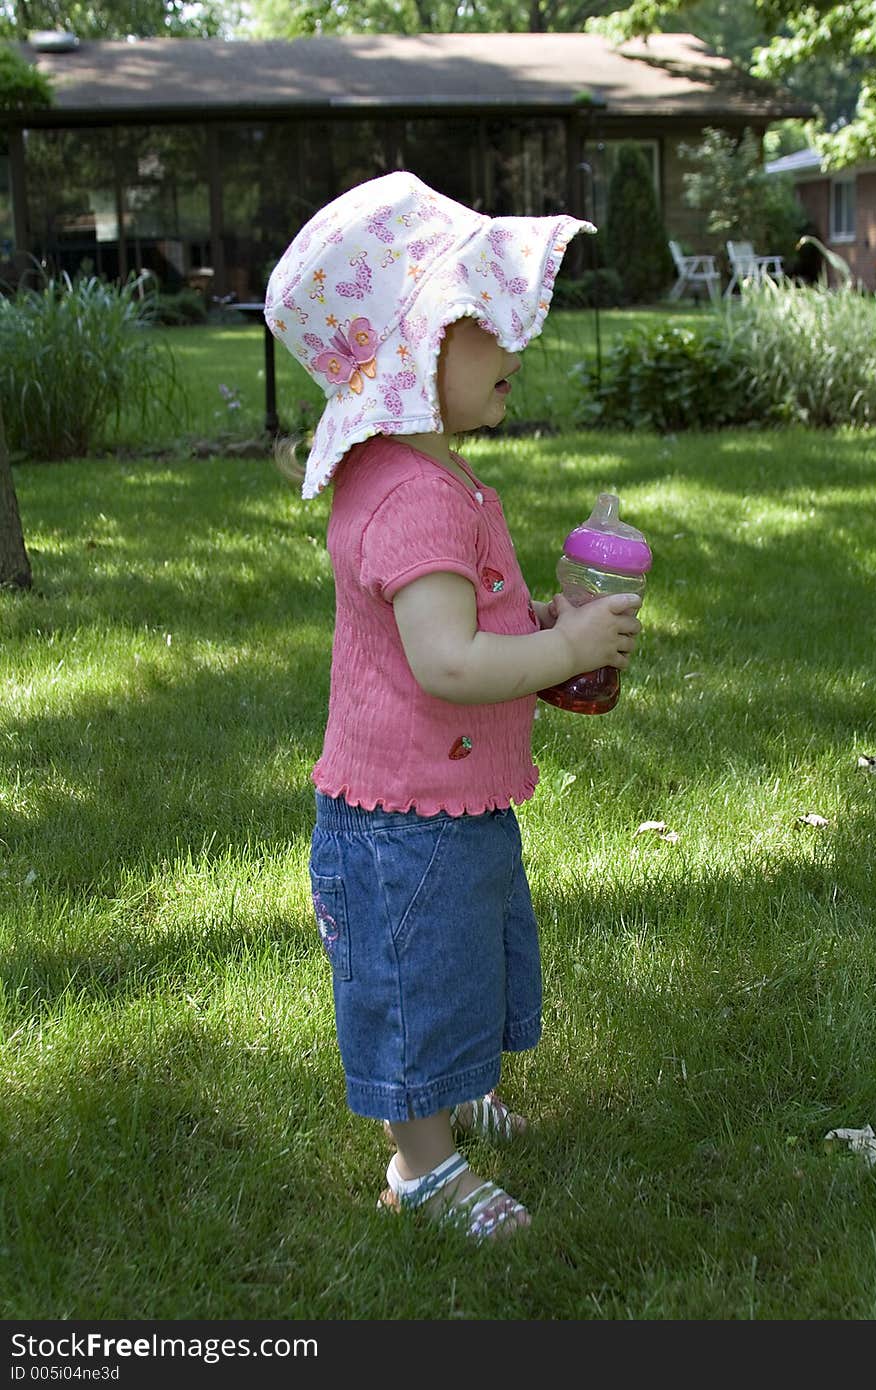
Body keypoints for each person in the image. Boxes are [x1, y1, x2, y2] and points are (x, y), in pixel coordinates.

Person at [265, 172, 642, 1242]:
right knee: (417, 973)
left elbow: (474, 627)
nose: (516, 339)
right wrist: (561, 646)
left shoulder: (424, 474)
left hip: (442, 800)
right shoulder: (415, 494)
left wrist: (551, 631)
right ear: (416, 348)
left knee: (466, 955)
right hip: (399, 821)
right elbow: (443, 660)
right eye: (487, 320)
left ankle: (454, 1078)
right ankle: (420, 1162)